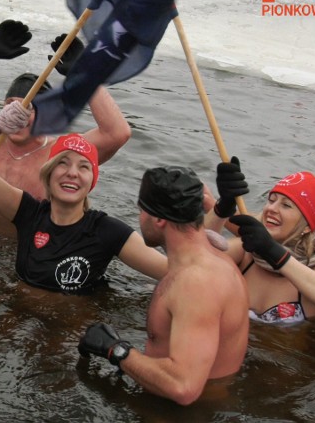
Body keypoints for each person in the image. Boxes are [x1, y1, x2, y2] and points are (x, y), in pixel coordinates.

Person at [78, 166, 249, 406]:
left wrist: (115, 350)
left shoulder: (195, 284)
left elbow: (184, 387)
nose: (139, 218)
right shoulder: (216, 259)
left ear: (158, 219)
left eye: (141, 210)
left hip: (180, 415)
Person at [0, 100, 168, 294]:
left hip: (72, 328)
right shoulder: (28, 213)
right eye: (63, 163)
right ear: (48, 175)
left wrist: (196, 229)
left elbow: (172, 271)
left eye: (84, 167)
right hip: (20, 319)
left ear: (92, 182)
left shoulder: (107, 231)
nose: (72, 173)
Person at [0, 20, 131, 207]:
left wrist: (86, 74)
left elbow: (117, 133)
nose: (17, 113)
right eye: (10, 104)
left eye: (29, 107)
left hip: (25, 244)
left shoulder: (62, 154)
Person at [209, 160, 315, 324]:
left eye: (286, 205)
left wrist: (271, 251)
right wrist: (222, 208)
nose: (271, 209)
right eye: (272, 200)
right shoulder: (245, 252)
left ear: (307, 227)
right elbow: (194, 258)